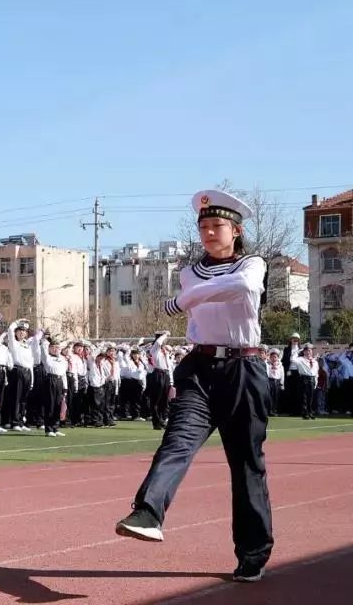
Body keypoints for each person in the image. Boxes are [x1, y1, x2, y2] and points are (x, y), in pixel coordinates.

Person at [116, 190, 273, 583]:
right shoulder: (189, 273)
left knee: (246, 465)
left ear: (235, 230)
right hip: (199, 369)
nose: (208, 232)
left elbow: (239, 288)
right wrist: (187, 295)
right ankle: (148, 511)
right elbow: (205, 292)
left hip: (243, 368)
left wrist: (183, 300)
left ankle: (252, 554)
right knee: (177, 441)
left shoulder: (253, 264)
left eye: (216, 226)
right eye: (202, 227)